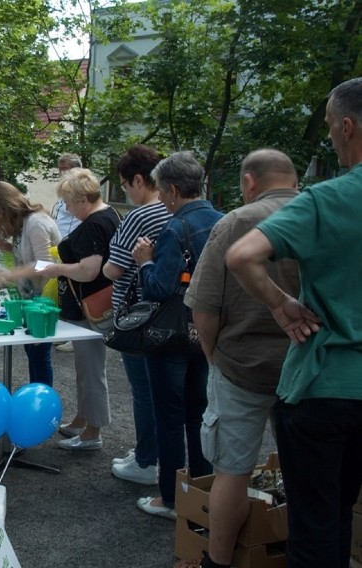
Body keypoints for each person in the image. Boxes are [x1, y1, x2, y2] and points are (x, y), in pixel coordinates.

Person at [226, 77, 362, 567]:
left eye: (329, 127)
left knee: (315, 524)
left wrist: (281, 303)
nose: (330, 138)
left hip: (322, 387)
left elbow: (242, 255)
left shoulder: (329, 199)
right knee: (343, 514)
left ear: (346, 127)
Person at [180, 149, 300, 568]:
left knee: (232, 471)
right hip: (305, 366)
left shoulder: (235, 223)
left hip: (240, 364)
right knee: (302, 469)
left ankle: (218, 562)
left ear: (249, 182)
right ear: (295, 181)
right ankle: (288, 552)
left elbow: (204, 308)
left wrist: (214, 355)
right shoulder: (319, 217)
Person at [131, 151, 223, 520]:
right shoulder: (222, 221)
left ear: (171, 190)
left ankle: (170, 497)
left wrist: (144, 262)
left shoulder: (175, 229)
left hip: (171, 336)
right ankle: (202, 488)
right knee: (199, 412)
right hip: (208, 332)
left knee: (168, 415)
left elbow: (157, 287)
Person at [102, 145, 171, 483]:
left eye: (126, 185)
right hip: (170, 314)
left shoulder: (140, 216)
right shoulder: (175, 211)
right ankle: (153, 451)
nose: (126, 192)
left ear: (140, 180)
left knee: (143, 391)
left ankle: (146, 461)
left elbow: (114, 270)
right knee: (164, 390)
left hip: (138, 317)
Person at [38, 169, 119, 450]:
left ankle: (92, 432)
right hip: (91, 305)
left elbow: (89, 270)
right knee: (86, 368)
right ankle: (83, 420)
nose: (68, 210)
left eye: (69, 203)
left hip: (90, 307)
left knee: (91, 369)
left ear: (83, 199)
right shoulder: (109, 216)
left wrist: (57, 268)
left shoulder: (95, 223)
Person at [0, 181, 61, 386]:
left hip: (45, 300)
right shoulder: (23, 224)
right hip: (32, 298)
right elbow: (26, 253)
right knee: (33, 353)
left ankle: (41, 402)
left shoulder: (36, 223)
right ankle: (36, 397)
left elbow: (46, 265)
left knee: (39, 354)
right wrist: (4, 246)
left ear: (2, 208)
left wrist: (6, 275)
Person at [52, 153, 84, 353]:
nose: (61, 172)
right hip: (60, 248)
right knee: (63, 292)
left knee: (75, 293)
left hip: (77, 249)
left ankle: (75, 337)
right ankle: (64, 330)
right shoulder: (61, 195)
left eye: (65, 168)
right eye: (60, 168)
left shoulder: (79, 193)